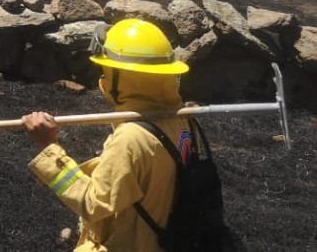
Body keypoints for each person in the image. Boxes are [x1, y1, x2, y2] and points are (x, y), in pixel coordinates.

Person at [21, 19, 194, 252]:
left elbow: (94, 204)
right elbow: (140, 174)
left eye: (106, 71)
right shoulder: (182, 118)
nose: (102, 79)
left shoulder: (132, 137)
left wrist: (49, 148)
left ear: (123, 77)